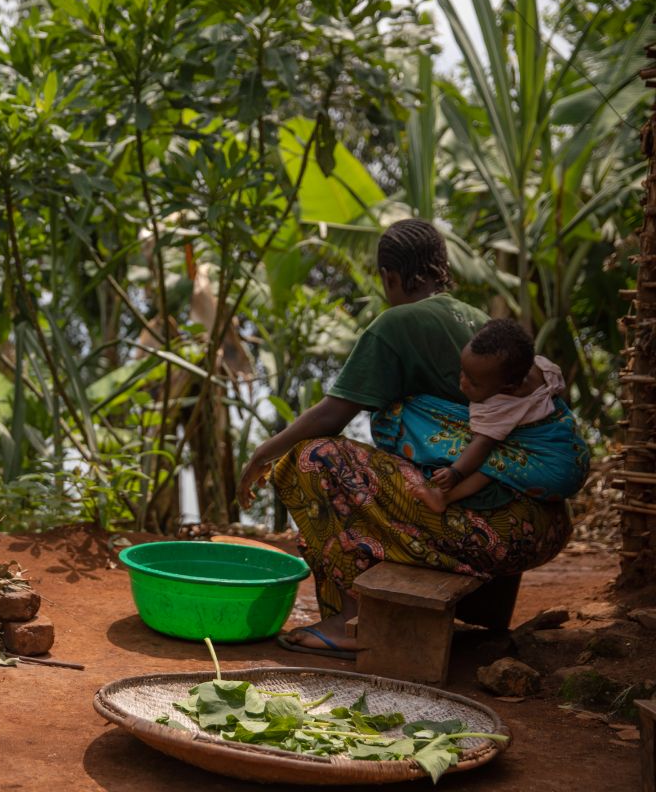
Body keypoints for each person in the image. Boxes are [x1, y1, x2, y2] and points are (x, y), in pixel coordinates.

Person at [237, 219, 588, 660]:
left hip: (493, 526)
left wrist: (265, 452)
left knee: (310, 460)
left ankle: (351, 622)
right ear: (442, 268)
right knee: (455, 454)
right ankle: (481, 617)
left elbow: (333, 414)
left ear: (390, 277)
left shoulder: (398, 322)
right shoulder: (484, 326)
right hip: (540, 525)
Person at [413, 318, 570, 513]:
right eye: (463, 371)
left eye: (474, 382)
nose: (462, 382)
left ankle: (444, 497)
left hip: (555, 475)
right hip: (572, 452)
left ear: (508, 387)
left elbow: (481, 445)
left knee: (493, 458)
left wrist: (456, 472)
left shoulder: (498, 408)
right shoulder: (541, 367)